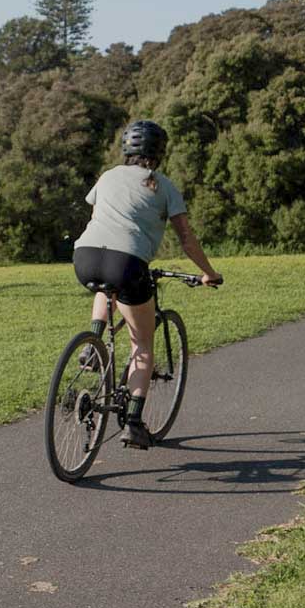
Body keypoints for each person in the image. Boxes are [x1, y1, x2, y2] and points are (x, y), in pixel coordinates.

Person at [71, 120, 221, 449]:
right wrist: (208, 272)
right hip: (128, 264)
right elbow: (186, 239)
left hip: (84, 256)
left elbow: (96, 219)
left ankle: (93, 344)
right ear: (159, 152)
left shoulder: (107, 176)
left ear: (126, 148)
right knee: (142, 344)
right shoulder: (163, 186)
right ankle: (134, 423)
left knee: (105, 287)